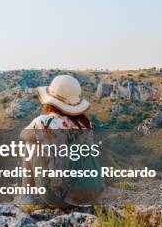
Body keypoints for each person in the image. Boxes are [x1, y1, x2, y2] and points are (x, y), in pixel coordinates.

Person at [20, 74, 103, 207]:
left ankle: (26, 196)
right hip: (92, 192)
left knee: (30, 144)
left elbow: (23, 134)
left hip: (61, 198)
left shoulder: (45, 121)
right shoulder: (86, 123)